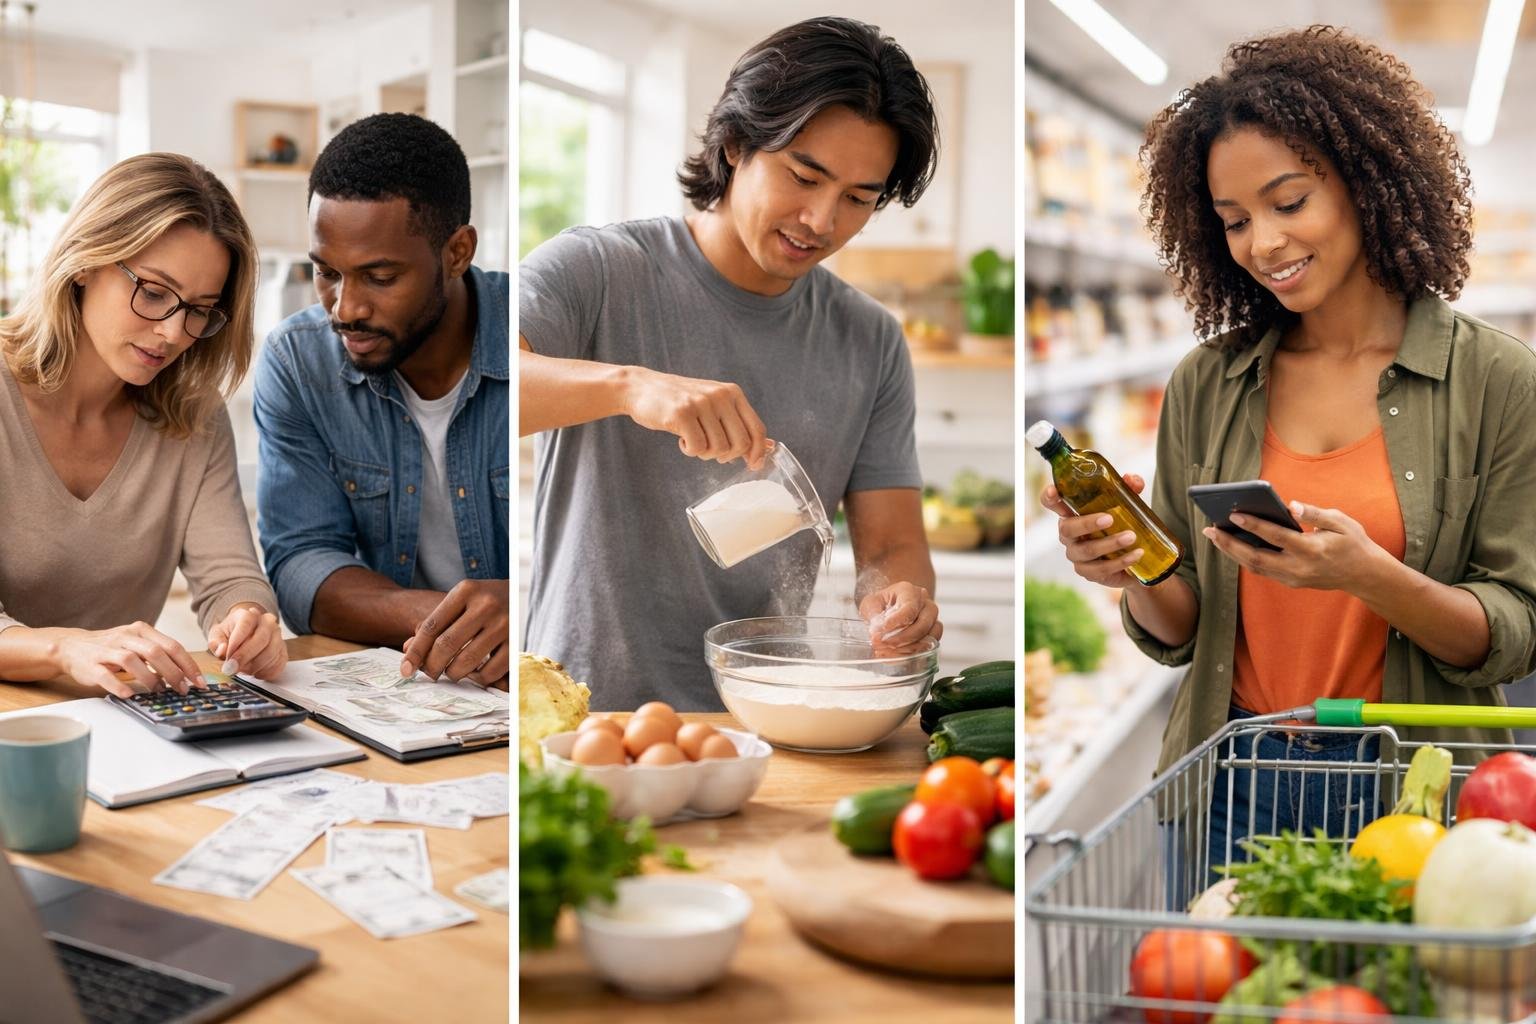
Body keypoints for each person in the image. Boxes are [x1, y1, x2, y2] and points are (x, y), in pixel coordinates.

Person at [1041, 27, 1536, 858]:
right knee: (1219, 993)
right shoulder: (1209, 382)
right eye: (1234, 220)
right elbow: (1181, 631)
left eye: (1289, 202)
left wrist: (1369, 577)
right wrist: (1131, 563)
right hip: (1236, 779)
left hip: (1415, 792)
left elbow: (1515, 628)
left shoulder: (1496, 381)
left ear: (1369, 186)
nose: (1262, 243)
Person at [520, 16, 944, 710]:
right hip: (582, 713)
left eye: (858, 199)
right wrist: (630, 387)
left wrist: (898, 600)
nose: (820, 220)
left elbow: (893, 543)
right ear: (736, 143)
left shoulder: (870, 340)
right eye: (804, 175)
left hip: (766, 715)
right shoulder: (596, 270)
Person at [0, 153, 287, 697]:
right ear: (85, 261)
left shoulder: (194, 414)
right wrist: (66, 648)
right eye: (154, 292)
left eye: (200, 308)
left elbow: (229, 577)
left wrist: (249, 620)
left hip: (123, 726)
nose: (174, 333)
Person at [254, 113, 510, 689]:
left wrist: (525, 605)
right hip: (407, 681)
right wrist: (451, 625)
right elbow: (300, 564)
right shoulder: (298, 363)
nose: (345, 307)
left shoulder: (538, 340)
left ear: (457, 252)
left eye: (379, 276)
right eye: (326, 273)